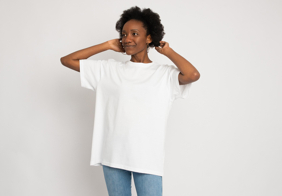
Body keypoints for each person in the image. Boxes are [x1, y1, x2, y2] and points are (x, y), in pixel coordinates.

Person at [60, 6, 200, 196]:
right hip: (113, 155)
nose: (127, 39)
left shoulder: (163, 74)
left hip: (147, 158)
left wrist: (168, 52)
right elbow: (67, 60)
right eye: (124, 34)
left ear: (149, 38)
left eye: (134, 33)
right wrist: (107, 45)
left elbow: (192, 74)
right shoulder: (108, 70)